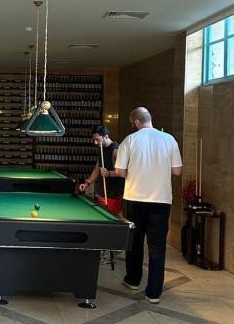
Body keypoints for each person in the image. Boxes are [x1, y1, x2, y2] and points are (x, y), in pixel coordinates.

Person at [114, 107, 182, 304]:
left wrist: (136, 171)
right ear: (149, 119)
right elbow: (177, 171)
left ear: (136, 122)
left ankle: (133, 280)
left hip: (134, 198)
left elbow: (119, 171)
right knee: (157, 247)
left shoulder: (130, 140)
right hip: (161, 200)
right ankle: (153, 293)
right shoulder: (169, 139)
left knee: (134, 243)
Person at [78, 125, 125, 214]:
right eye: (94, 140)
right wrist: (87, 183)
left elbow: (124, 172)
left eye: (97, 140)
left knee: (111, 217)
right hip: (102, 191)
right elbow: (97, 169)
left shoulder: (116, 150)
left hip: (114, 193)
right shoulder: (101, 148)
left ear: (106, 136)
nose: (95, 143)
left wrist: (109, 173)